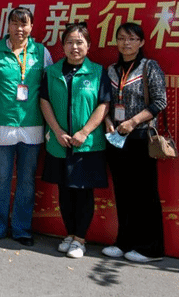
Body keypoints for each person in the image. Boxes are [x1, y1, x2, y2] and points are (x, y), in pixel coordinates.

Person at [0, 7, 53, 246]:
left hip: (32, 126)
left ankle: (22, 229)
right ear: (8, 26)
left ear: (31, 27)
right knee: (1, 177)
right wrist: (1, 107)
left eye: (24, 24)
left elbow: (48, 88)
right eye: (15, 23)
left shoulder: (41, 53)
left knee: (26, 180)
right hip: (1, 126)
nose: (19, 29)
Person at [40, 22, 111, 259]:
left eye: (80, 42)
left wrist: (85, 132)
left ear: (88, 46)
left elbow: (103, 104)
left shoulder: (98, 72)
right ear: (63, 46)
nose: (75, 47)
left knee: (83, 192)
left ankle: (80, 239)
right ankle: (69, 234)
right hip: (59, 143)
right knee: (64, 191)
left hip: (87, 145)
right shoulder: (52, 72)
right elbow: (44, 101)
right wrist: (57, 131)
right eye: (69, 42)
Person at [103, 22, 167, 263]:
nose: (126, 43)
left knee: (145, 194)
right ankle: (124, 242)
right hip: (116, 139)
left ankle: (151, 248)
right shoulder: (111, 70)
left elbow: (159, 102)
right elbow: (104, 101)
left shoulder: (149, 67)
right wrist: (107, 121)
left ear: (141, 42)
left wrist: (132, 122)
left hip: (140, 138)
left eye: (131, 38)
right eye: (121, 38)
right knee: (123, 192)